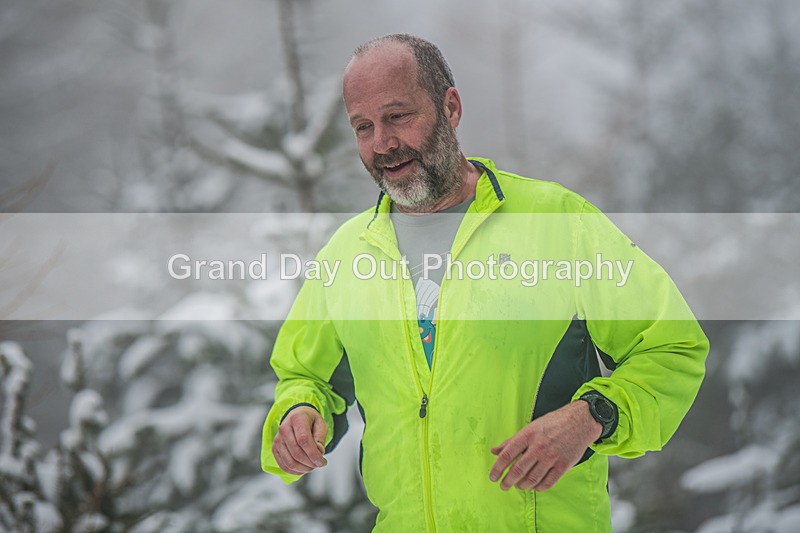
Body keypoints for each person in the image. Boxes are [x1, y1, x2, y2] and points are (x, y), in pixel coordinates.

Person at [261, 34, 709, 532]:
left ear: (450, 107)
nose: (382, 143)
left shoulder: (556, 221)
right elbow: (305, 375)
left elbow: (672, 348)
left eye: (398, 116)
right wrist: (300, 411)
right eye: (363, 126)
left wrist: (592, 415)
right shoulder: (347, 254)